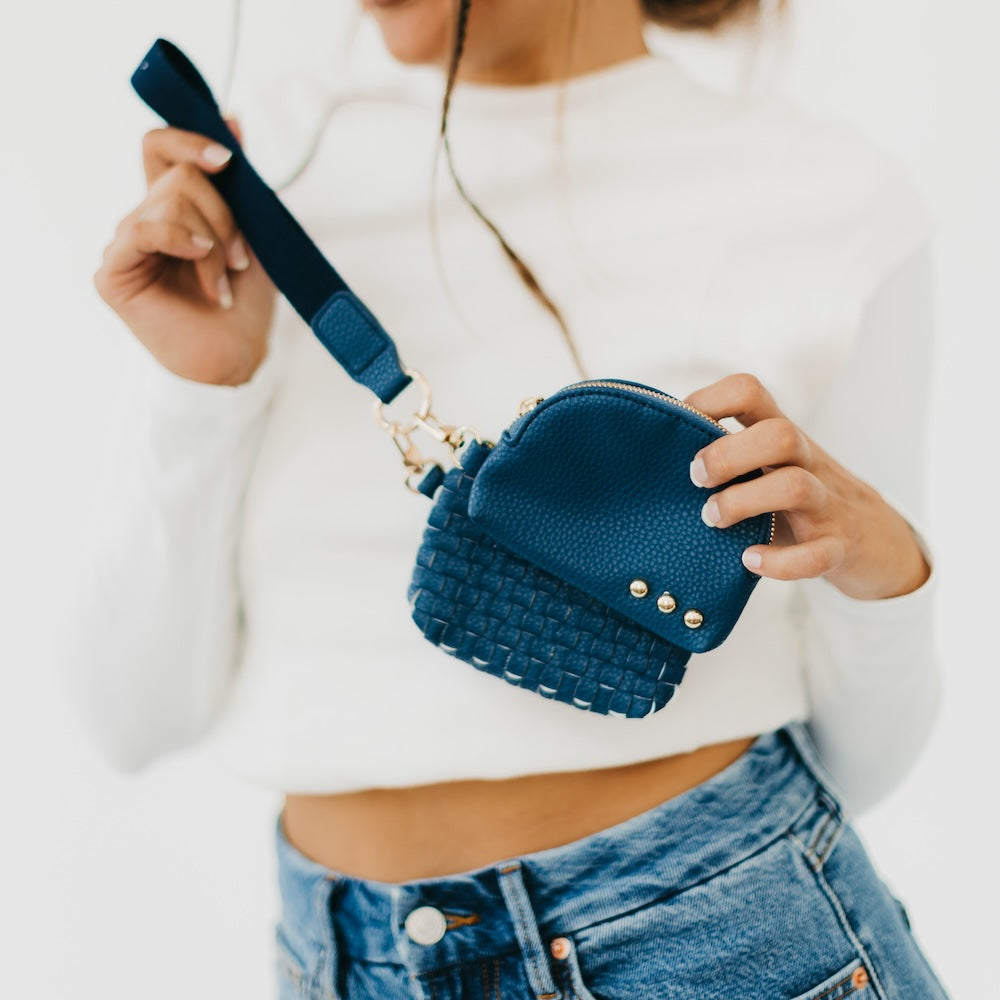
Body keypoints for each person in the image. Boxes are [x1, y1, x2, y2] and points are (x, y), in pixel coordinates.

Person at [67, 0, 950, 996]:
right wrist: (202, 392)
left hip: (723, 938)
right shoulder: (256, 183)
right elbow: (126, 717)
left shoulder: (831, 195)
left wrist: (888, 569)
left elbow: (863, 766)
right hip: (343, 958)